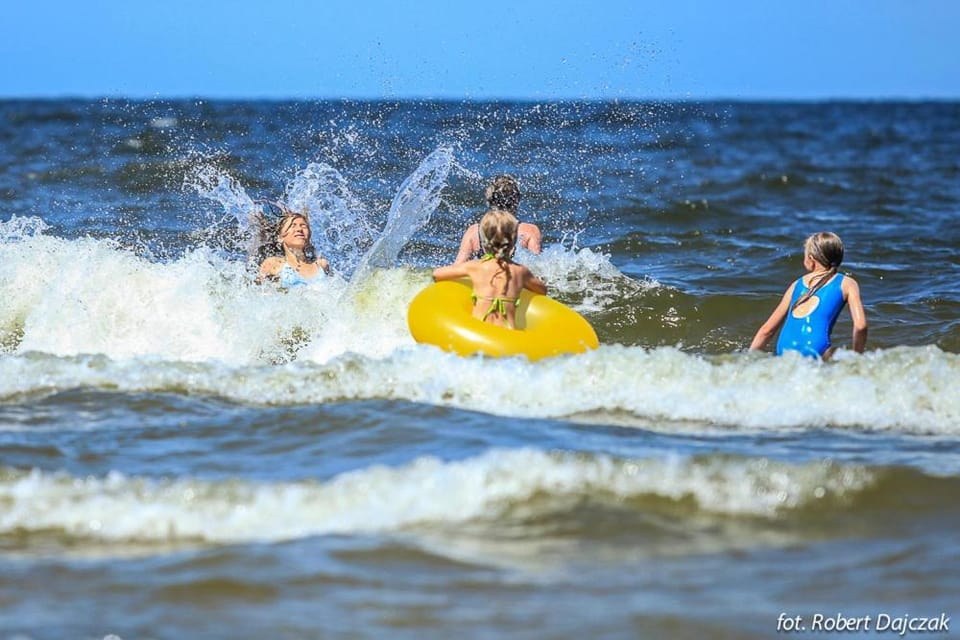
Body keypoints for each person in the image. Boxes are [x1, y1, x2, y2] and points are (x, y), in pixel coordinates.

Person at [749, 231, 868, 359]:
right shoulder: (847, 283)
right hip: (816, 348)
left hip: (785, 349)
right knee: (837, 354)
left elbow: (767, 330)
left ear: (811, 259)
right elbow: (860, 326)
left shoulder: (796, 285)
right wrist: (857, 358)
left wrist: (747, 359)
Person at [433, 209, 547, 329]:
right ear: (514, 241)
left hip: (477, 332)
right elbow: (542, 290)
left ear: (483, 242)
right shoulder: (520, 271)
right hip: (507, 335)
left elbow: (437, 274)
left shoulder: (474, 267)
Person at [453, 175, 542, 264]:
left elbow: (457, 267)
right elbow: (537, 268)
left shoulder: (474, 231)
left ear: (489, 200)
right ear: (516, 200)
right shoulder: (530, 231)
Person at [257, 209, 330, 288]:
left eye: (303, 226)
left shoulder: (321, 265)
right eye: (292, 225)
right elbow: (256, 290)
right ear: (280, 237)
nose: (299, 229)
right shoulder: (273, 264)